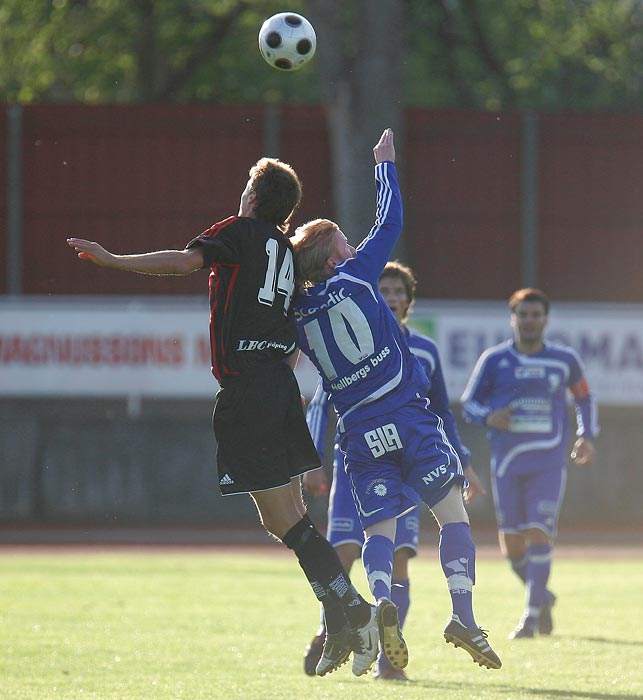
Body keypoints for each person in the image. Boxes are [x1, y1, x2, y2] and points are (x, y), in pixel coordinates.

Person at [66, 155, 381, 678]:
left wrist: (113, 259)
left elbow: (186, 261)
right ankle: (342, 622)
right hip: (279, 387)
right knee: (292, 520)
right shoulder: (283, 247)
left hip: (249, 392)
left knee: (283, 523)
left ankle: (357, 612)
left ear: (253, 198)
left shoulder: (238, 231)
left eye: (246, 187)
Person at [290, 128, 502, 675]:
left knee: (376, 530)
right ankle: (464, 616)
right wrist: (385, 165)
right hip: (407, 417)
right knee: (452, 516)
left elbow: (287, 361)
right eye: (341, 240)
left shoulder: (296, 315)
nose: (349, 245)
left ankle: (377, 598)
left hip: (358, 431)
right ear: (332, 255)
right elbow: (390, 223)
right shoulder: (360, 275)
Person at [302, 260, 487, 681]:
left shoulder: (424, 350)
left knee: (399, 558)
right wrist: (312, 461)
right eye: (384, 289)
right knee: (343, 553)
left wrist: (464, 463)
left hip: (408, 466)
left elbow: (441, 412)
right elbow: (320, 402)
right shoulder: (349, 341)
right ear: (371, 296)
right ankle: (330, 630)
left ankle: (389, 654)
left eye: (399, 291)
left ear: (409, 300)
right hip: (356, 464)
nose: (392, 297)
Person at [460, 287, 598, 639]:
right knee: (512, 547)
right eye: (523, 314)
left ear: (545, 319)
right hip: (507, 462)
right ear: (513, 318)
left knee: (539, 533)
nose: (530, 320)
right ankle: (543, 596)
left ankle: (531, 617)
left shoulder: (564, 360)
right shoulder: (494, 360)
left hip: (549, 461)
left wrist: (587, 434)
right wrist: (490, 415)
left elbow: (584, 397)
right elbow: (469, 405)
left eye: (536, 314)